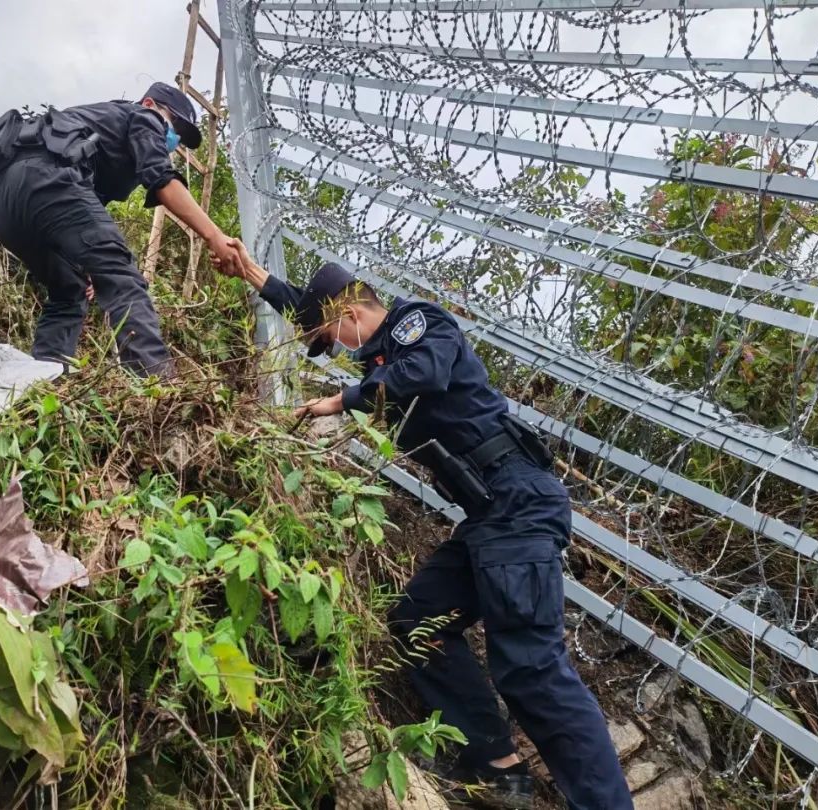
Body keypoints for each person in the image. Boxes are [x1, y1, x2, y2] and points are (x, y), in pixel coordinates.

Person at [212, 240, 633, 810]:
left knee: (532, 668)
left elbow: (424, 374)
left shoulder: (415, 324)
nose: (335, 352)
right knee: (417, 623)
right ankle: (497, 766)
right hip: (489, 515)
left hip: (518, 504)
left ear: (352, 312)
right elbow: (309, 312)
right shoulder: (377, 348)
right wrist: (251, 272)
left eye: (333, 337)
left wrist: (340, 401)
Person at [0, 82, 242, 376]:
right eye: (175, 125)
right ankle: (157, 387)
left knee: (70, 289)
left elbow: (81, 214)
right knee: (121, 274)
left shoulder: (99, 132)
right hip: (44, 174)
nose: (175, 138)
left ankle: (45, 383)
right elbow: (161, 180)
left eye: (181, 137)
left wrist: (89, 266)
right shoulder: (144, 117)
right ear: (150, 104)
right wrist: (214, 236)